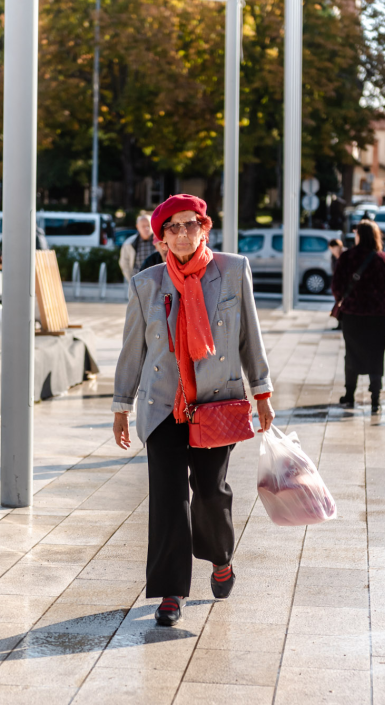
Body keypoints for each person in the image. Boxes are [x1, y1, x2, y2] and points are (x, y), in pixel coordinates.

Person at [111, 194, 274, 627]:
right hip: (163, 405)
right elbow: (132, 352)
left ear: (205, 228)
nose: (182, 234)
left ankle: (221, 556)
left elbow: (249, 338)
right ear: (161, 238)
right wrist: (121, 405)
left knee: (209, 492)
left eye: (190, 225)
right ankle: (171, 591)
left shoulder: (232, 270)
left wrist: (262, 392)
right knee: (167, 498)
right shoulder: (146, 285)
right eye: (173, 228)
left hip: (215, 402)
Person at [331, 219, 385, 414]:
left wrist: (343, 299)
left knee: (351, 354)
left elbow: (336, 286)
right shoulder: (384, 259)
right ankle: (375, 398)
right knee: (376, 356)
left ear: (359, 235)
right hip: (377, 317)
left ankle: (349, 395)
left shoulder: (347, 257)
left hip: (352, 315)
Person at [119, 213, 156, 281]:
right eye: (143, 226)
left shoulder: (160, 242)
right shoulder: (129, 243)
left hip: (156, 281)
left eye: (148, 225)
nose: (146, 228)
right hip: (138, 281)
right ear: (137, 227)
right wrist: (131, 280)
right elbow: (124, 263)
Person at [328, 238, 344, 331]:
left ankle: (341, 324)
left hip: (343, 286)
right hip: (338, 285)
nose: (332, 251)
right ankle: (340, 324)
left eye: (332, 248)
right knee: (338, 305)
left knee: (340, 305)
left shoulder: (344, 256)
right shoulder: (334, 257)